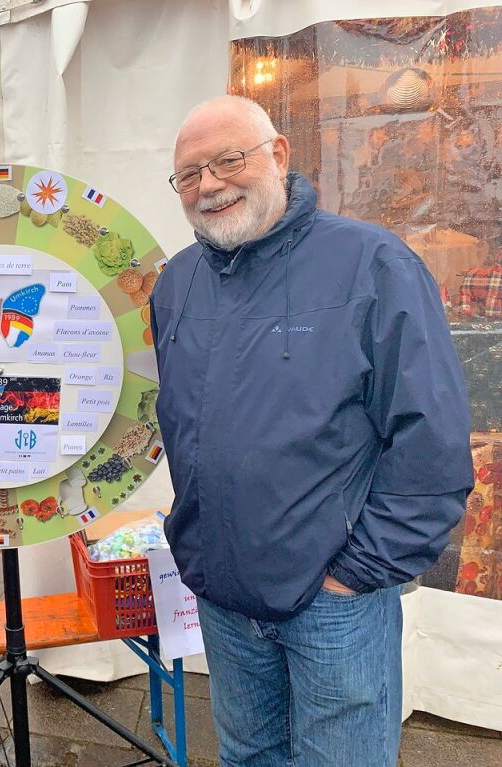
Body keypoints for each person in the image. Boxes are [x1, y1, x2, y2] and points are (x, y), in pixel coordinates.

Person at [151, 95, 473, 767]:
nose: (208, 184)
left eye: (227, 160)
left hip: (335, 603)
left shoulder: (373, 265)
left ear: (278, 155)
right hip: (224, 595)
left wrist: (356, 573)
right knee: (247, 757)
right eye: (189, 174)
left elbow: (431, 443)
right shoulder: (177, 284)